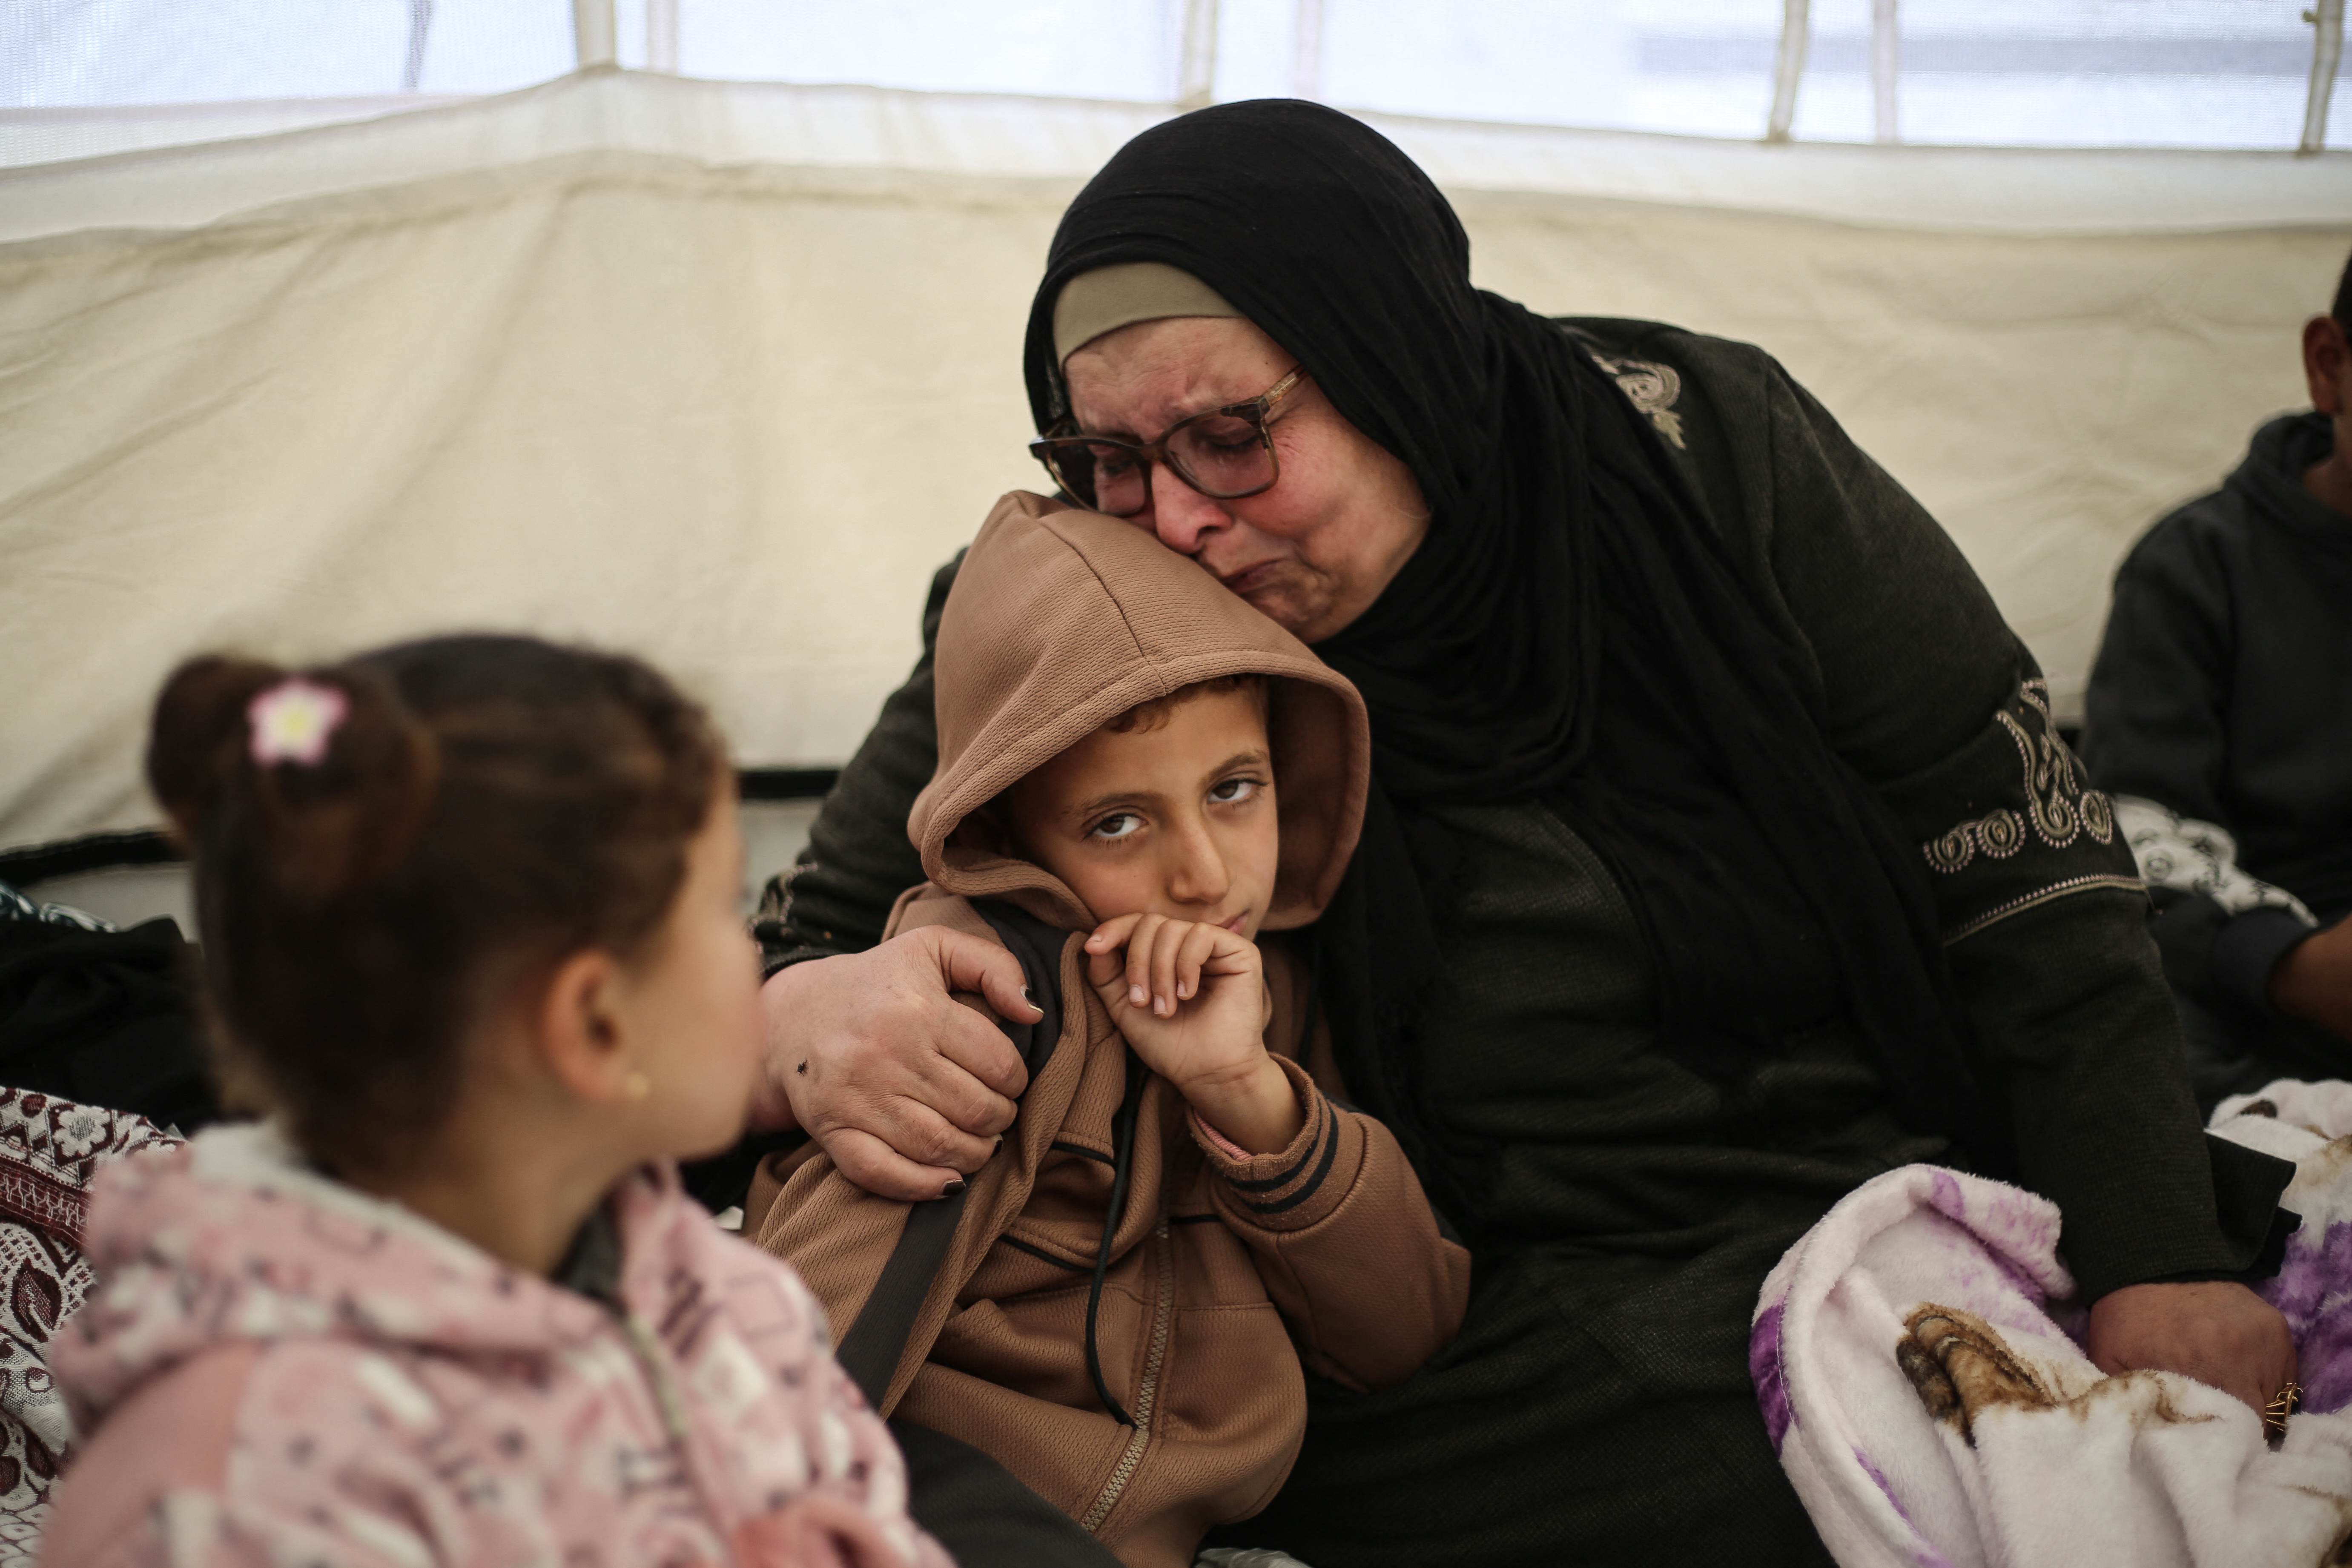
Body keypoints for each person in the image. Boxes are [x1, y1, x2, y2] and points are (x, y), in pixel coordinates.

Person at [746, 103, 2297, 1564]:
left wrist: (2157, 1249)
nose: (1172, 520)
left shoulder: (1706, 461)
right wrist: (806, 1013)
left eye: (1231, 435)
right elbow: (803, 934)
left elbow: (2022, 857)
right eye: (1105, 460)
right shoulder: (1078, 605)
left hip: (1863, 1168)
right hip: (1428, 1294)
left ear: (1398, 363)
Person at [41, 637, 949, 1568]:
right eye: (725, 911)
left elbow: (858, 1501)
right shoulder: (248, 1486)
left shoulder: (714, 1295)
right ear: (593, 1023)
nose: (757, 952)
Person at [745, 497, 1470, 1568]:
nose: (1205, 874)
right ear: (1006, 831)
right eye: (1117, 823)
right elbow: (814, 1328)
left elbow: (1398, 1334)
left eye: (1234, 790)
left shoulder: (1269, 987)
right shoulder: (987, 998)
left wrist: (1247, 1096)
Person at [2080, 251, 2352, 1111]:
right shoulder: (2195, 568)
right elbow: (2132, 845)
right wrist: (2286, 965)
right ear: (2329, 367)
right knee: (2112, 1030)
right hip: (2260, 998)